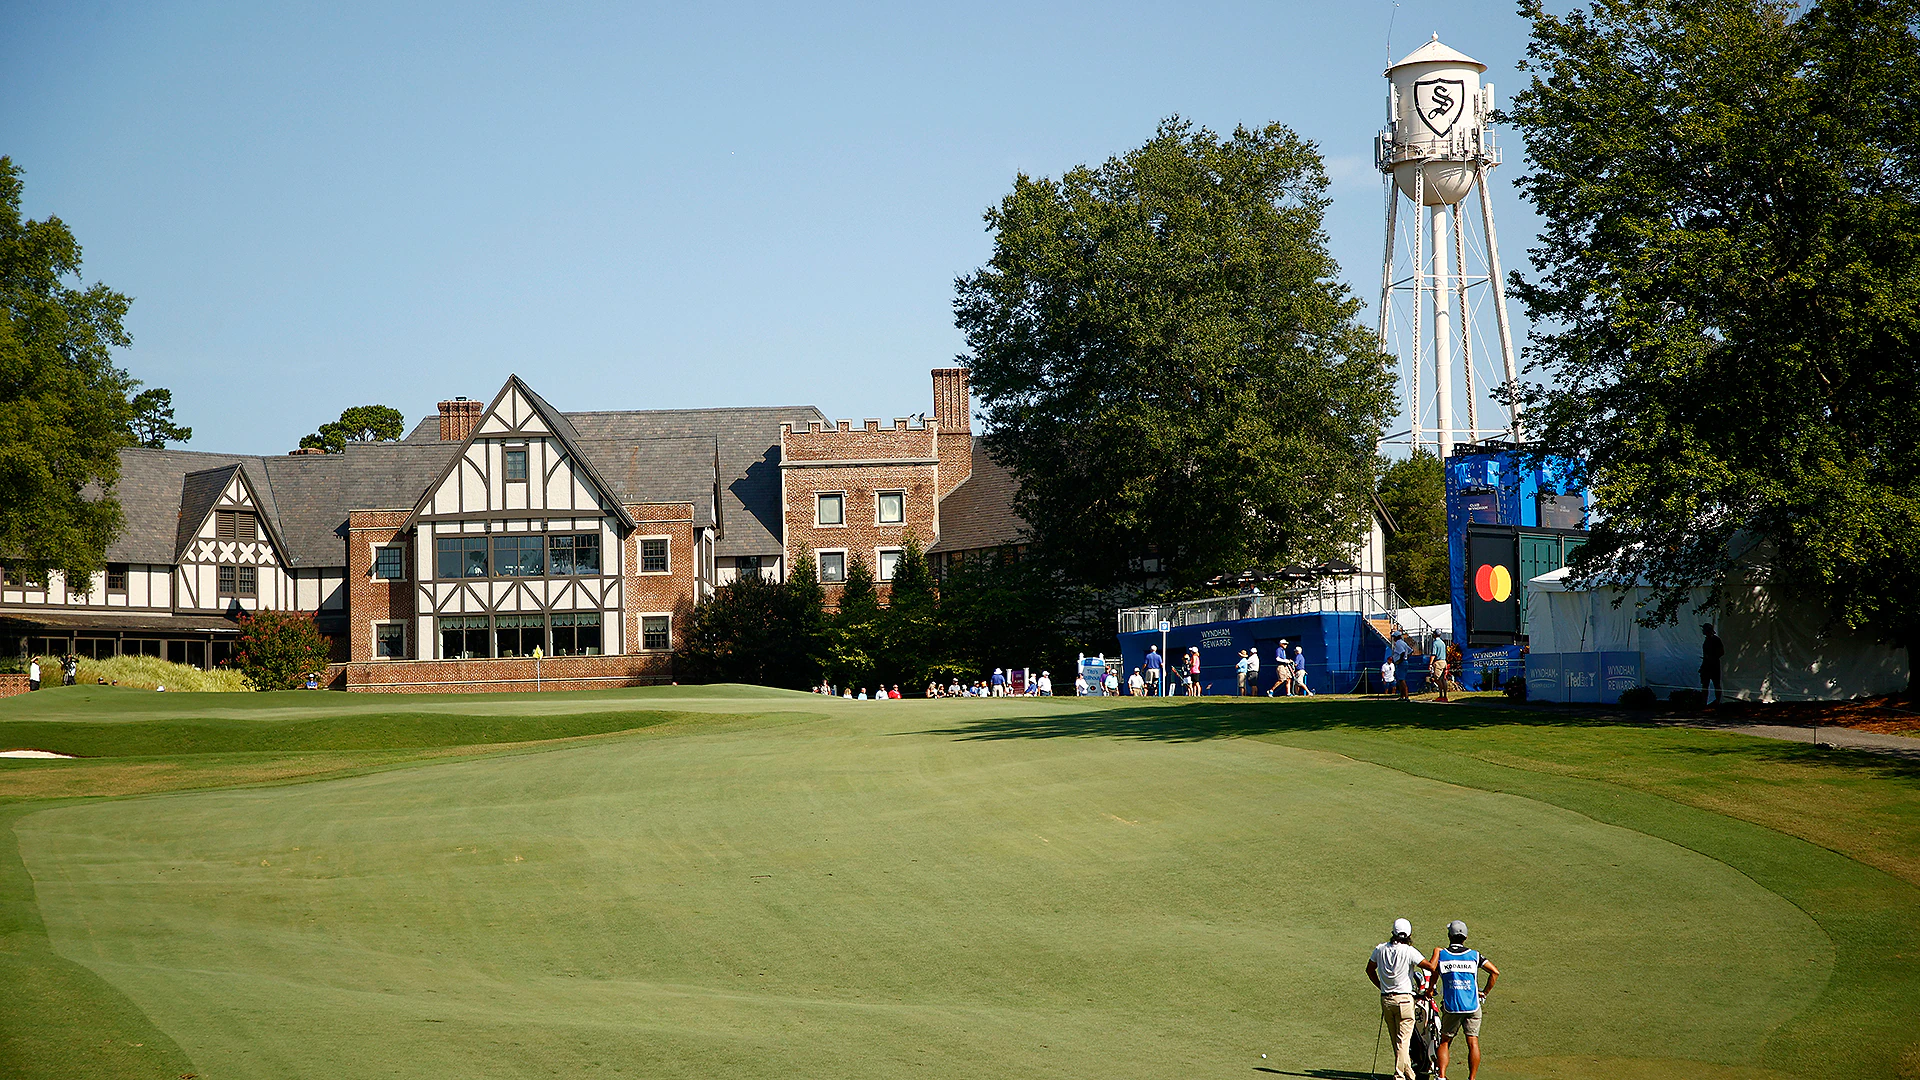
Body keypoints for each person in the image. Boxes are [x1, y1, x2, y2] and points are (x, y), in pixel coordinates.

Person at [1424, 920, 1499, 1080]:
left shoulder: (1442, 955)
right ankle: (1471, 1078)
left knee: (1444, 1041)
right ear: (1465, 937)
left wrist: (1430, 991)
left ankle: (1442, 1076)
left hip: (1452, 1007)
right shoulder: (1474, 955)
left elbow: (1434, 978)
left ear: (1449, 936)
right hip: (1472, 1006)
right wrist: (1484, 992)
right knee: (1473, 1042)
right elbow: (1494, 972)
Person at [1367, 918, 1426, 1080]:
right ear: (1408, 935)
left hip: (1386, 1000)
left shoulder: (1380, 949)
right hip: (1405, 1001)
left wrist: (1382, 986)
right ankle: (1399, 1076)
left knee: (1397, 1042)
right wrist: (1436, 953)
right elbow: (1429, 966)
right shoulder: (1409, 951)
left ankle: (1410, 1074)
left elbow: (1370, 970)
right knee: (1402, 1042)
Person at [1700, 623, 1724, 706]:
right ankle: (1704, 702)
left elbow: (1721, 652)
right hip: (1706, 666)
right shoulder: (1706, 640)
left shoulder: (1716, 640)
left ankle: (1718, 701)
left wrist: (1712, 657)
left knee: (1716, 684)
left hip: (1714, 666)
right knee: (1705, 684)